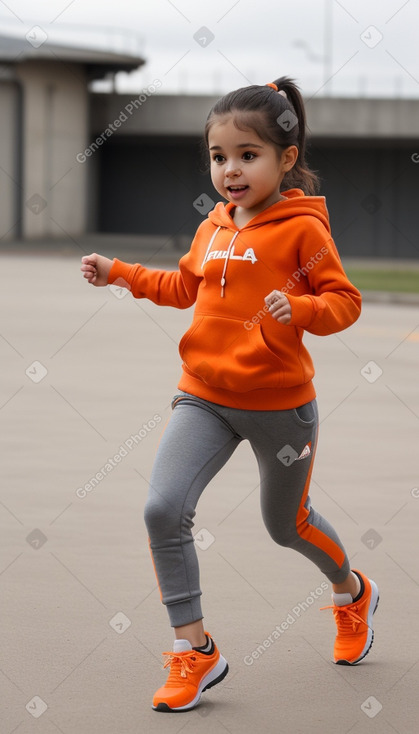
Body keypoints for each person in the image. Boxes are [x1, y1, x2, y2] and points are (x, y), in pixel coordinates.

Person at [81, 76, 379, 713]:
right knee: (163, 510)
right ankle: (195, 650)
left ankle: (352, 594)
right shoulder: (213, 226)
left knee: (286, 527)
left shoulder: (303, 230)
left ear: (285, 159)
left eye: (248, 155)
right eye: (219, 157)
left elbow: (344, 303)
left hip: (280, 407)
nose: (231, 170)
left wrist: (298, 308)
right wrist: (119, 274)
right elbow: (183, 288)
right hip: (205, 396)